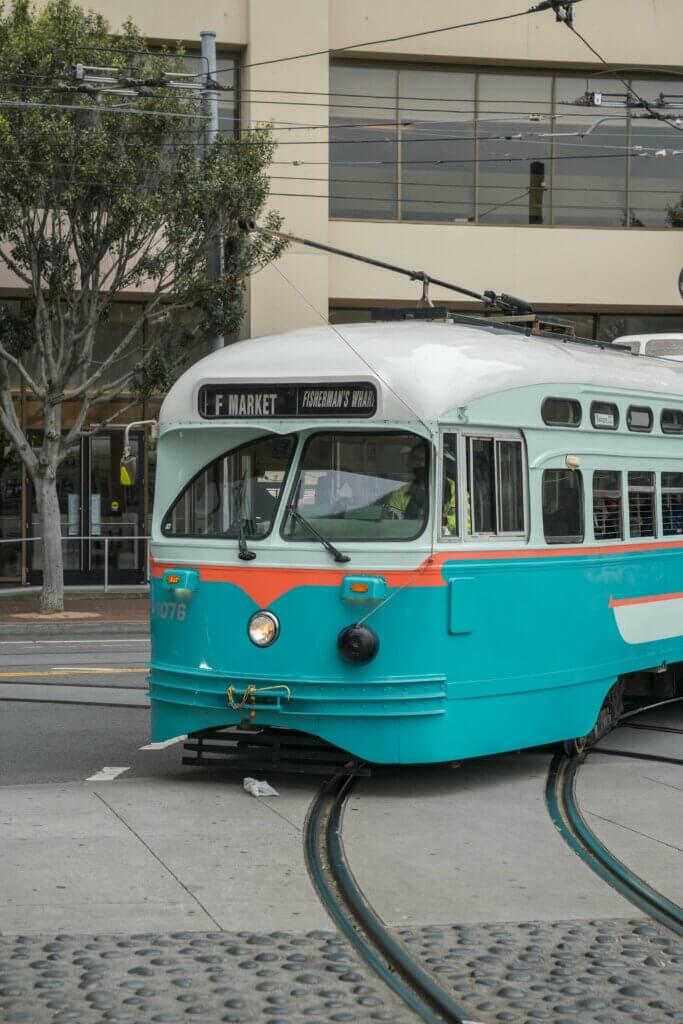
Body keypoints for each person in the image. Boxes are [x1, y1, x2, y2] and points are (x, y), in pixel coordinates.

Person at [384, 444, 428, 519]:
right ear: (410, 464)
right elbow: (392, 525)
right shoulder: (399, 495)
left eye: (426, 459)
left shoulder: (452, 489)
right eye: (417, 459)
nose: (421, 463)